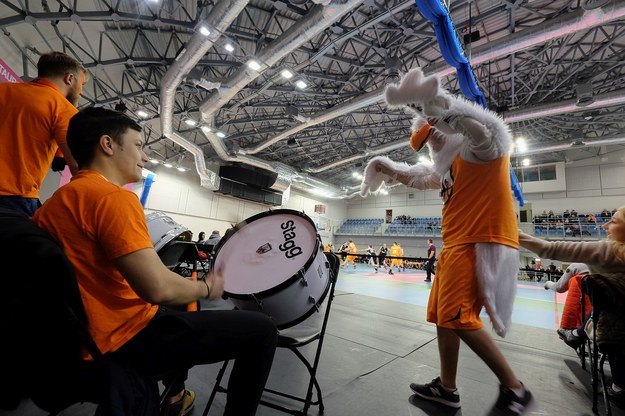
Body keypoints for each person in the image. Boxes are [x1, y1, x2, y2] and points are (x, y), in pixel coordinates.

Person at [33, 107, 278, 416]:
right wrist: (206, 287)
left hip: (72, 344)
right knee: (262, 330)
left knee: (179, 309)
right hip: (124, 340)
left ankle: (174, 398)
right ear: (107, 145)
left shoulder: (52, 206)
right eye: (138, 145)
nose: (145, 156)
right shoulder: (113, 198)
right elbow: (157, 289)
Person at [361, 67, 534, 414]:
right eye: (426, 140)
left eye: (435, 133)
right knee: (444, 316)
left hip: (476, 243)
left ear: (445, 122)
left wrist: (433, 109)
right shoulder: (446, 169)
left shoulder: (480, 150)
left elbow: (480, 129)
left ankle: (515, 390)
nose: (433, 141)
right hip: (454, 246)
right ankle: (447, 386)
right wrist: (385, 167)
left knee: (457, 317)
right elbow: (418, 178)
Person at [519, 206, 625, 405]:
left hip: (611, 334)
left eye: (614, 221)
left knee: (605, 312)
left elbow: (549, 249)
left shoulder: (606, 251)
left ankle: (578, 336)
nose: (604, 225)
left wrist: (515, 234)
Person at [0, 51, 87, 218]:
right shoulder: (64, 109)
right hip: (13, 199)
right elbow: (77, 166)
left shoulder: (3, 89)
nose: (81, 92)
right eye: (81, 84)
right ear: (69, 79)